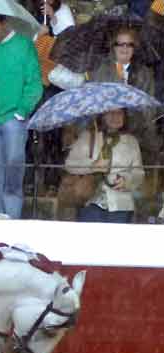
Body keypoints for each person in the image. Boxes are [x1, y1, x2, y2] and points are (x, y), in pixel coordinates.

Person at [0, 13, 43, 219]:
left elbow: (34, 83)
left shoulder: (24, 45)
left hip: (14, 116)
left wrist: (22, 111)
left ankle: (12, 222)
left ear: (4, 23)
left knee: (13, 170)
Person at [90, 27, 159, 164]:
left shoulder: (144, 73)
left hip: (137, 131)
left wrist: (132, 113)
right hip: (105, 129)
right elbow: (93, 102)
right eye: (120, 44)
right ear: (113, 47)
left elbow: (150, 108)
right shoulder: (99, 70)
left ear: (135, 48)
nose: (125, 48)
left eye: (129, 44)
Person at [64, 109, 143, 223]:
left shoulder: (131, 141)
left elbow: (139, 173)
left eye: (119, 113)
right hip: (91, 202)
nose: (115, 116)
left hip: (121, 205)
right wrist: (92, 165)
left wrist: (127, 180)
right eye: (110, 112)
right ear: (102, 116)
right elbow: (70, 164)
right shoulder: (88, 137)